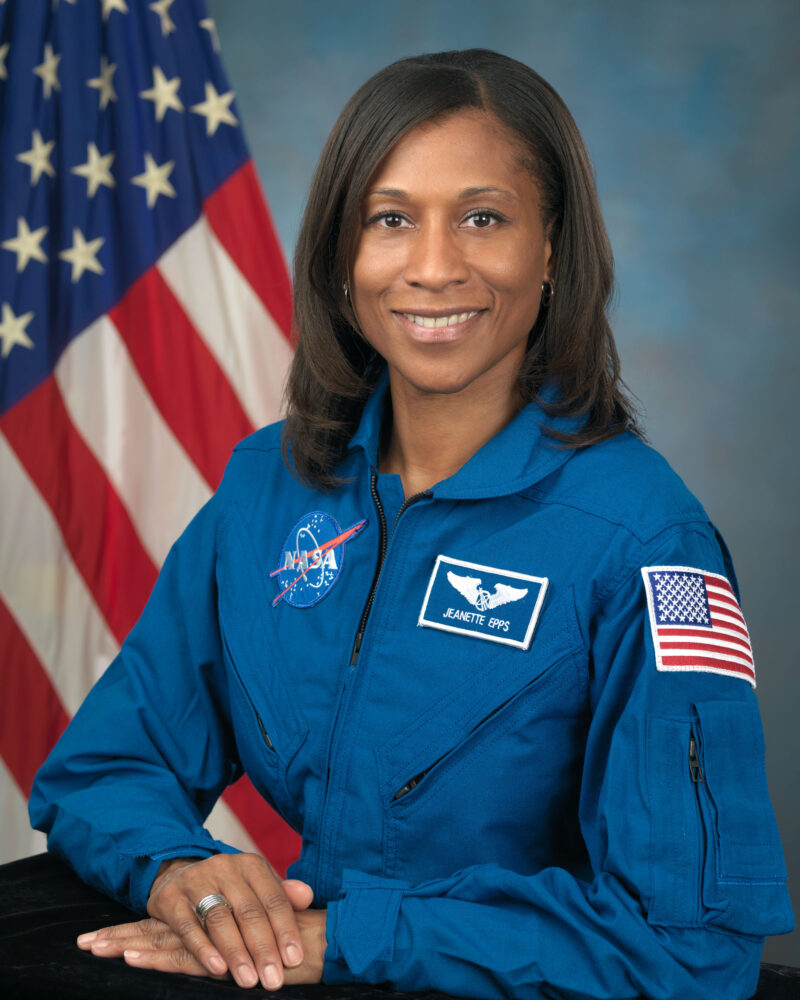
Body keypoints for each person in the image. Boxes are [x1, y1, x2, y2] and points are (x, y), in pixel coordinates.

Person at [30, 49, 793, 999]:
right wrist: (182, 868)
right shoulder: (268, 486)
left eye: (483, 218)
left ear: (552, 247)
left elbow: (693, 943)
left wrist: (349, 940)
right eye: (391, 220)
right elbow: (104, 766)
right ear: (342, 258)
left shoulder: (645, 543)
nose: (434, 269)